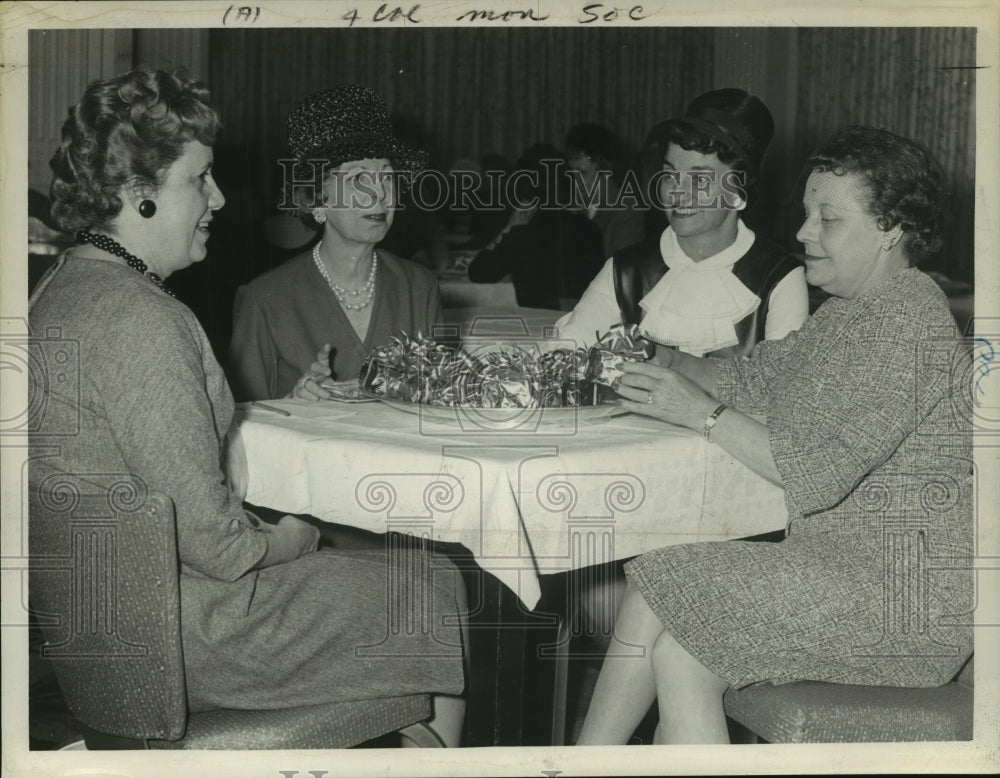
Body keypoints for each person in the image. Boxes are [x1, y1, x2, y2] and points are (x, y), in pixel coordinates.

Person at [30, 69, 467, 746]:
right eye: (199, 179)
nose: (221, 198)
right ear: (139, 193)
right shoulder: (145, 320)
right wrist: (297, 536)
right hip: (184, 638)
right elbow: (220, 549)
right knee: (429, 580)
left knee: (392, 582)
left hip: (103, 636)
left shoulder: (57, 291)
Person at [576, 126, 973, 745]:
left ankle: (581, 761)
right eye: (806, 213)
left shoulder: (909, 325)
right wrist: (661, 358)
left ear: (891, 229)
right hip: (840, 572)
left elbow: (812, 471)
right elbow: (753, 374)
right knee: (682, 650)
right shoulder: (850, 311)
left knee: (665, 577)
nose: (803, 232)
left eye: (828, 219)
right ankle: (589, 761)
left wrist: (699, 415)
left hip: (905, 602)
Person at [226, 85, 444, 401]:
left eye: (386, 176)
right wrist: (294, 402)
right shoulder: (264, 301)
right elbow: (239, 429)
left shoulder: (419, 289)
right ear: (317, 202)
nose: (379, 194)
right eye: (358, 178)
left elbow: (443, 403)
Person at [555, 89, 809, 357]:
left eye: (700, 179)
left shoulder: (780, 278)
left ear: (738, 192)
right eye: (669, 175)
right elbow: (566, 350)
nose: (677, 192)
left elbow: (783, 391)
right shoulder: (625, 270)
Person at [467, 143, 605, 310]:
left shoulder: (521, 234)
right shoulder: (590, 230)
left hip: (538, 327)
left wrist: (508, 229)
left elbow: (477, 272)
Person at [563, 122, 647, 260]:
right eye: (572, 173)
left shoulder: (628, 209)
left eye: (582, 173)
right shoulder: (570, 205)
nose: (575, 181)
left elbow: (622, 270)